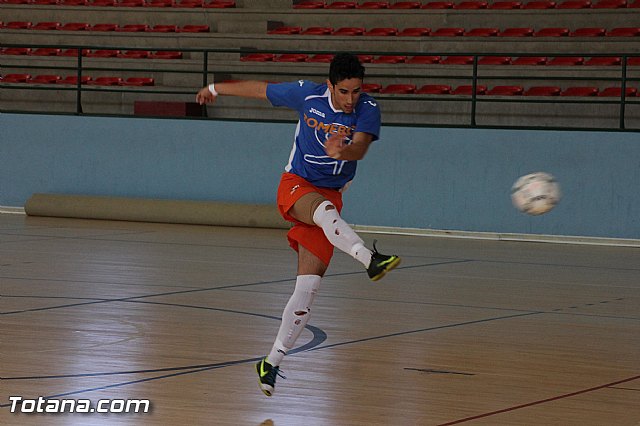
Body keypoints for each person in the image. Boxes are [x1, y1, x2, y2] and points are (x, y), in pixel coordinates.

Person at [196, 53, 400, 397]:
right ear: (330, 84)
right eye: (345, 91)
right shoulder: (306, 95)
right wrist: (216, 87)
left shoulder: (369, 108)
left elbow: (361, 148)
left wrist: (344, 151)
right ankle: (370, 259)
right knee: (322, 211)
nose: (351, 99)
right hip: (297, 186)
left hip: (330, 197)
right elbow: (260, 89)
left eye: (356, 91)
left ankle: (271, 363)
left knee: (307, 289)